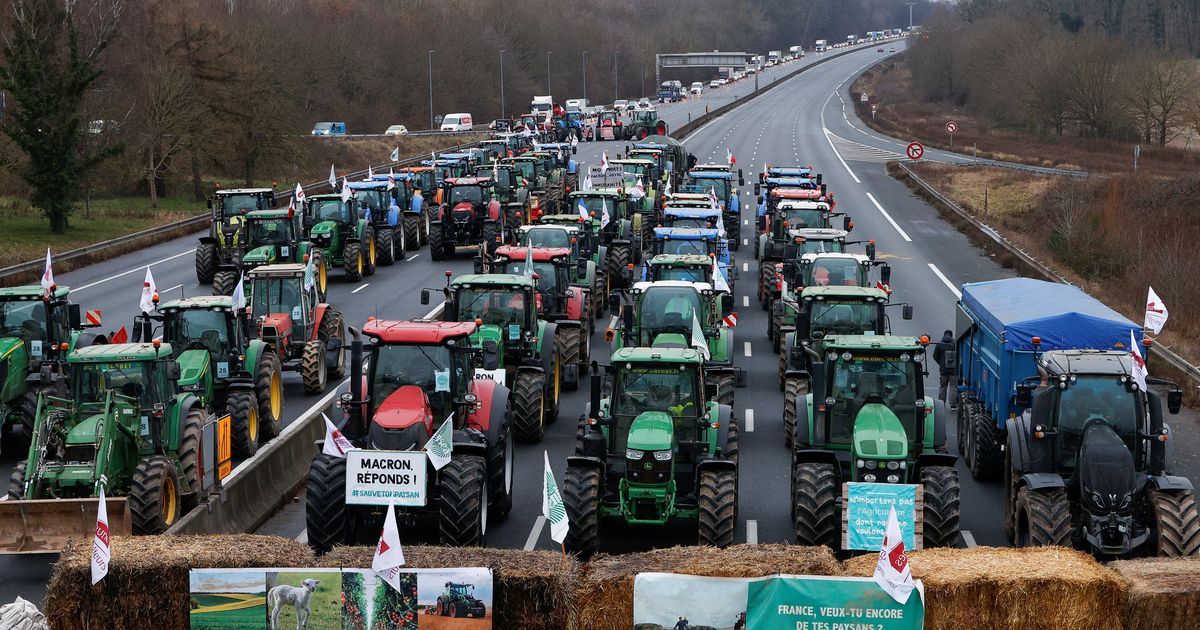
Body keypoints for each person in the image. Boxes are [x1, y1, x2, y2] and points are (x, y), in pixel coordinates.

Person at [932, 330, 956, 409]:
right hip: (953, 369)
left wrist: (941, 363)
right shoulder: (955, 344)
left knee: (943, 386)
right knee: (953, 386)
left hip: (943, 370)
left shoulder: (939, 344)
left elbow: (935, 356)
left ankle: (942, 403)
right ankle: (953, 404)